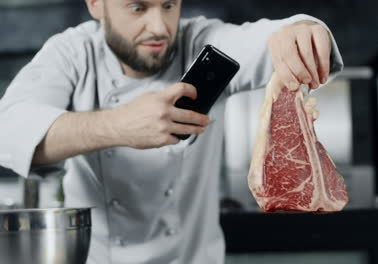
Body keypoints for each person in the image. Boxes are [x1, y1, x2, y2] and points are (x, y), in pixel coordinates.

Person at [0, 0, 343, 263]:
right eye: (138, 7)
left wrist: (303, 30)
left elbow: (264, 39)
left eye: (169, 5)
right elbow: (9, 129)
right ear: (95, 4)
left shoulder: (201, 43)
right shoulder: (72, 53)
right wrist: (118, 125)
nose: (159, 27)